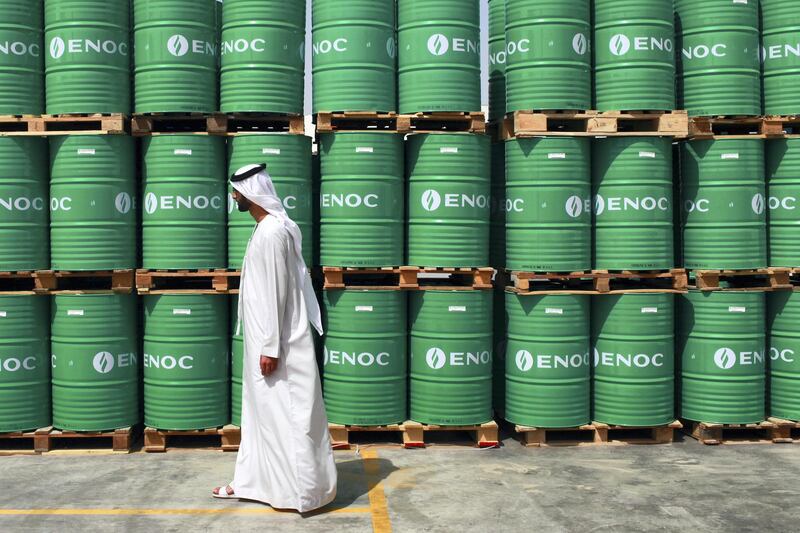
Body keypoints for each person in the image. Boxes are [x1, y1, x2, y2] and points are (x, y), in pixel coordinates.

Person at [213, 163, 337, 512]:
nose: (233, 196)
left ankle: (300, 493)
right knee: (262, 417)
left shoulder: (271, 233)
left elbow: (274, 294)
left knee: (289, 417)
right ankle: (255, 483)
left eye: (236, 190)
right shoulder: (267, 228)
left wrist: (270, 349)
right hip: (267, 342)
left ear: (250, 192)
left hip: (278, 345)